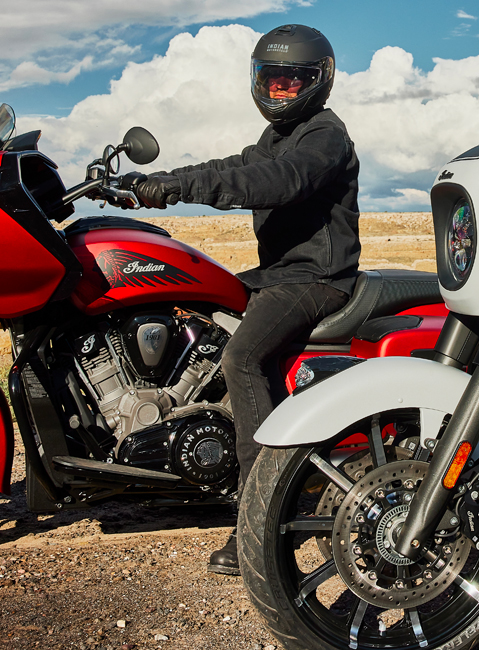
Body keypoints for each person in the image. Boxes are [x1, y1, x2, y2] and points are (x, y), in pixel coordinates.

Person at [131, 24, 361, 576]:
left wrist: (183, 189)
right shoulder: (275, 136)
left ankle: (260, 520)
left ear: (318, 80)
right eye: (271, 79)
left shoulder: (325, 135)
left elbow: (281, 180)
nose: (279, 90)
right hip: (276, 276)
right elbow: (232, 168)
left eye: (291, 81)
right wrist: (160, 181)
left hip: (314, 278)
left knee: (242, 358)